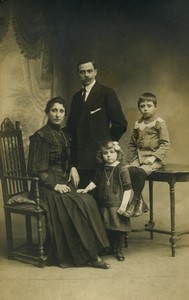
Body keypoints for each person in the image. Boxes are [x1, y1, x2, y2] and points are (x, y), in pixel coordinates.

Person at [27, 97, 110, 269]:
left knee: (87, 200)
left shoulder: (63, 135)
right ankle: (88, 255)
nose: (58, 115)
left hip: (63, 180)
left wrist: (72, 167)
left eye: (61, 111)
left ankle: (92, 250)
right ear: (47, 112)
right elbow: (35, 169)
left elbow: (67, 158)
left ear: (65, 114)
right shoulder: (40, 136)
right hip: (44, 187)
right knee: (72, 203)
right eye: (54, 110)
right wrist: (54, 185)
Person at [66, 58, 128, 188]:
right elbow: (71, 128)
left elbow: (120, 124)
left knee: (101, 197)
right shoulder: (76, 98)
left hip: (100, 157)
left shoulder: (107, 93)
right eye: (82, 72)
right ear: (78, 74)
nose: (86, 75)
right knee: (83, 197)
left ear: (96, 72)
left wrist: (106, 145)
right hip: (80, 158)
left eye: (89, 71)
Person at [77, 140, 132, 262]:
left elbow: (128, 189)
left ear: (117, 152)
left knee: (118, 228)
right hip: (103, 204)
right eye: (105, 153)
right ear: (101, 155)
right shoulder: (101, 168)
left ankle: (118, 250)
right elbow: (95, 182)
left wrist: (123, 206)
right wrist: (85, 190)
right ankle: (108, 248)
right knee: (106, 226)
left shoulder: (122, 168)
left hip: (117, 205)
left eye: (112, 152)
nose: (108, 155)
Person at [124, 92, 170, 217]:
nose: (145, 108)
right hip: (139, 157)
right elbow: (133, 144)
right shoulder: (138, 124)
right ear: (139, 108)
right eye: (142, 106)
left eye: (149, 105)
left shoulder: (159, 123)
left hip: (154, 159)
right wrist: (129, 161)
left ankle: (134, 201)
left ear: (155, 108)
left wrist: (154, 157)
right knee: (127, 170)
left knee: (140, 172)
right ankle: (141, 201)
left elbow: (165, 144)